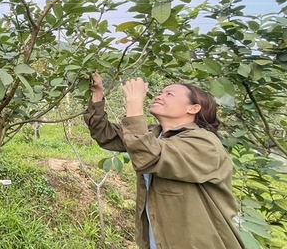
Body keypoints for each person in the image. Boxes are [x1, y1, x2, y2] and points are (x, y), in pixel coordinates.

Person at [83, 73, 244, 249]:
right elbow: (105, 134)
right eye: (160, 92)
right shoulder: (153, 134)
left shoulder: (205, 143)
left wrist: (134, 103)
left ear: (193, 108)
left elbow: (150, 156)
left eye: (170, 94)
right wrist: (97, 93)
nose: (159, 96)